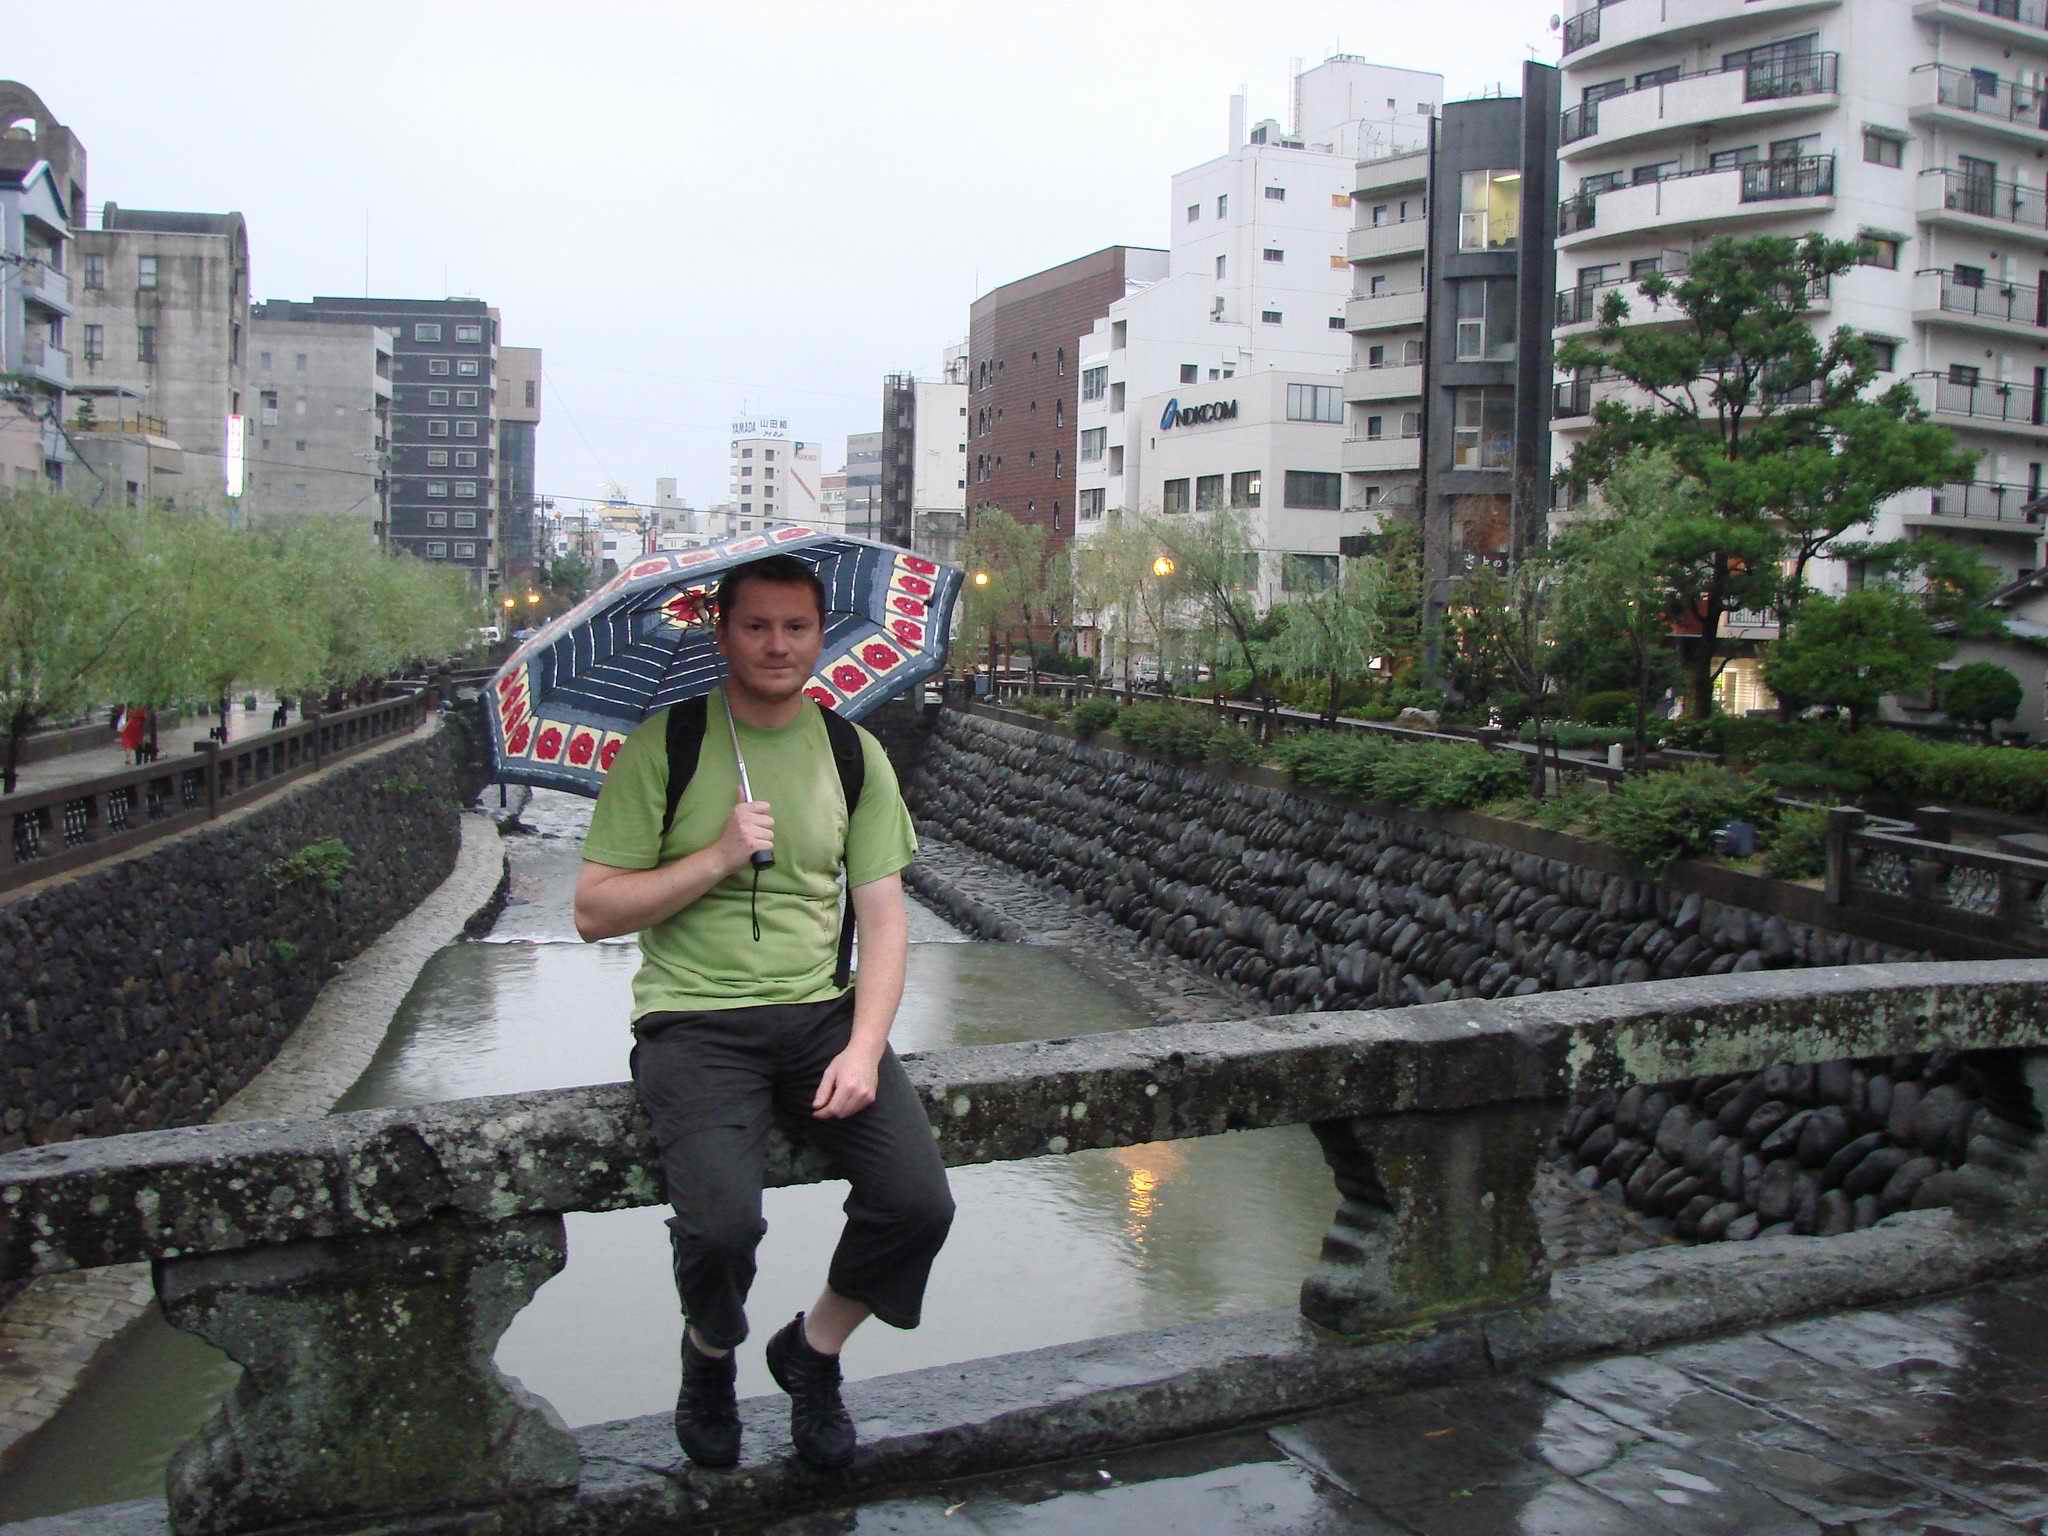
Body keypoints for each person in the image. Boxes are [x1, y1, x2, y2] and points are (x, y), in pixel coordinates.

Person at [573, 555, 953, 1473]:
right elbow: (593, 912)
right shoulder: (667, 747)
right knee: (721, 1229)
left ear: (820, 636)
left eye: (795, 627)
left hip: (821, 1016)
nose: (777, 645)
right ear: (723, 635)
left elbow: (885, 919)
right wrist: (714, 856)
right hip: (694, 1022)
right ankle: (710, 1354)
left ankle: (812, 1351)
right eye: (756, 627)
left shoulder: (853, 754)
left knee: (917, 1203)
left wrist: (864, 1047)